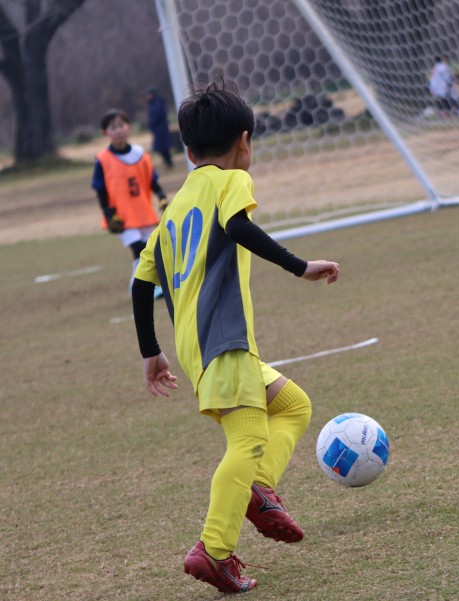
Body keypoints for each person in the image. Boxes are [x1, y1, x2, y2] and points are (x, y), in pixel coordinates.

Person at [130, 80, 340, 594]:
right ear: (244, 142)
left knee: (293, 405)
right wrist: (299, 266)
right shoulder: (231, 181)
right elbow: (240, 228)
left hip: (196, 349)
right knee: (246, 440)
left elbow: (139, 283)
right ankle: (215, 549)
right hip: (224, 340)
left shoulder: (175, 206)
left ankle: (258, 489)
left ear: (187, 150)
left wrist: (151, 352)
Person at [92, 108, 168, 299]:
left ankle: (137, 286)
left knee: (150, 251)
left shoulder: (140, 154)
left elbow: (152, 180)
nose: (118, 130)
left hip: (143, 214)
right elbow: (100, 189)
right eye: (113, 127)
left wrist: (161, 196)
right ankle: (144, 288)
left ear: (129, 127)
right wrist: (108, 213)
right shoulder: (103, 159)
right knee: (139, 249)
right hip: (122, 217)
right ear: (105, 132)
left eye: (121, 125)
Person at [146, 86, 174, 169]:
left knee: (163, 147)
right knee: (161, 148)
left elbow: (157, 115)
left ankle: (169, 163)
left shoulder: (157, 103)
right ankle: (167, 163)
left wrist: (151, 123)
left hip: (161, 129)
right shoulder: (153, 103)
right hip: (158, 129)